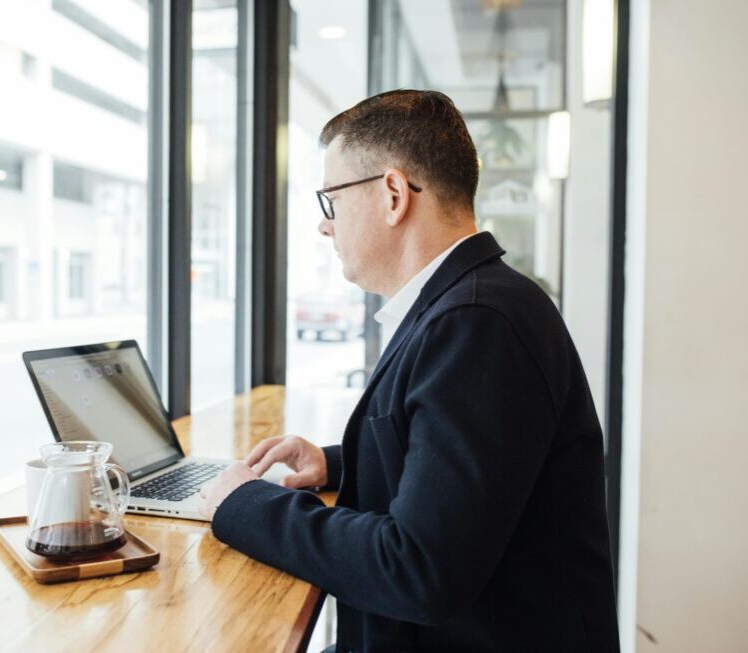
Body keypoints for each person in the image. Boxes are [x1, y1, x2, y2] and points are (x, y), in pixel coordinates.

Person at [198, 90, 620, 652]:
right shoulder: (476, 302)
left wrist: (244, 505)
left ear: (393, 194)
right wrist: (332, 463)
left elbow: (418, 570)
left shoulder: (477, 322)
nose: (326, 228)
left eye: (332, 201)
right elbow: (465, 466)